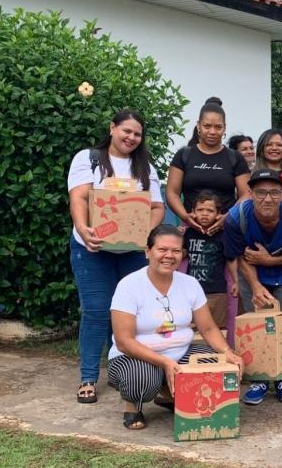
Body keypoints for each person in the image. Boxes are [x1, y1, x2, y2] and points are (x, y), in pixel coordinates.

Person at [67, 109, 166, 404]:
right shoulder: (89, 158)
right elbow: (79, 197)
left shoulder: (145, 166)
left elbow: (157, 208)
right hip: (92, 250)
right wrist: (84, 229)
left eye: (137, 134)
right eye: (126, 131)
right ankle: (87, 377)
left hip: (132, 253)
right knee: (97, 312)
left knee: (130, 315)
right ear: (112, 128)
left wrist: (142, 236)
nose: (131, 138)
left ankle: (122, 370)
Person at [107, 225, 244, 430]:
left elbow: (208, 329)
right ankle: (133, 406)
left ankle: (171, 394)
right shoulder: (129, 285)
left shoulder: (190, 284)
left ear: (182, 254)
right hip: (136, 356)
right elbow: (124, 341)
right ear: (148, 251)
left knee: (217, 365)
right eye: (162, 249)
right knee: (141, 381)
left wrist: (228, 352)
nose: (169, 255)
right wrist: (164, 362)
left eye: (176, 251)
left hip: (180, 352)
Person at [223, 169, 282, 405]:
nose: (268, 199)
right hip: (252, 273)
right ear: (250, 193)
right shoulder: (236, 217)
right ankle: (259, 380)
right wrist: (254, 285)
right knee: (256, 326)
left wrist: (270, 261)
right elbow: (239, 256)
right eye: (261, 192)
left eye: (274, 192)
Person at [166, 97, 251, 234]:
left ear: (224, 128)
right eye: (207, 126)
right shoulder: (183, 155)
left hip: (227, 229)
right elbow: (172, 192)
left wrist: (228, 218)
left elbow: (246, 194)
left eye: (218, 127)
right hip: (190, 229)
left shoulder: (235, 158)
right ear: (198, 126)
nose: (212, 132)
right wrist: (185, 216)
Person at [182, 191, 238, 329]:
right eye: (200, 210)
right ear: (193, 212)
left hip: (217, 291)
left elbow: (231, 259)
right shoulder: (188, 233)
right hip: (192, 292)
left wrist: (237, 281)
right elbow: (180, 255)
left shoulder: (223, 235)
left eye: (210, 210)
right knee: (193, 328)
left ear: (219, 214)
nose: (205, 213)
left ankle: (219, 351)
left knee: (218, 328)